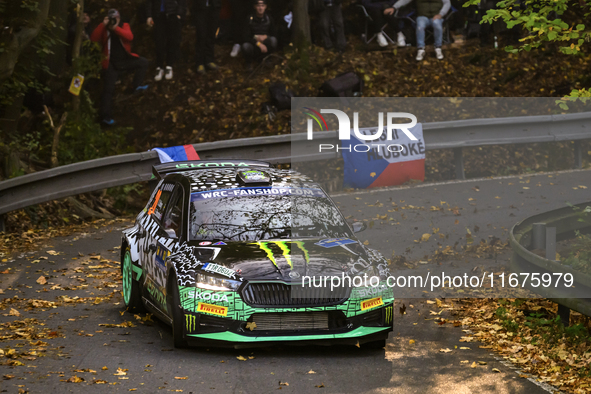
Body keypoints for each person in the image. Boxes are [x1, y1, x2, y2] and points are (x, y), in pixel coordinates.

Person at [91, 9, 149, 125]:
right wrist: (103, 25)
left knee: (143, 63)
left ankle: (135, 86)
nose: (114, 21)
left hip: (125, 60)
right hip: (110, 63)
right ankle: (105, 116)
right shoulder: (104, 28)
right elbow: (93, 39)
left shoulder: (124, 25)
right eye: (112, 18)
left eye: (116, 18)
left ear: (119, 18)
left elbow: (129, 37)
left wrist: (115, 28)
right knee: (108, 89)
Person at [146, 0, 186, 81]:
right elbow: (149, 1)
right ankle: (159, 67)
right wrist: (149, 15)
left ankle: (169, 65)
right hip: (158, 15)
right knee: (159, 41)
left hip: (172, 14)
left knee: (172, 40)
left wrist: (179, 13)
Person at [241, 0, 278, 71]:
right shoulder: (249, 19)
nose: (260, 8)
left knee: (273, 40)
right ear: (255, 7)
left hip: (265, 44)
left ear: (265, 7)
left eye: (262, 5)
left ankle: (267, 59)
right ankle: (249, 63)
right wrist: (258, 43)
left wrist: (266, 36)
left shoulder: (269, 19)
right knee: (246, 46)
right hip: (254, 44)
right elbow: (245, 37)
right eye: (258, 6)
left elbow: (274, 33)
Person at [193, 0, 222, 74]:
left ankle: (209, 60)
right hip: (200, 7)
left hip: (214, 7)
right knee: (201, 34)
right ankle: (200, 62)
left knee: (211, 34)